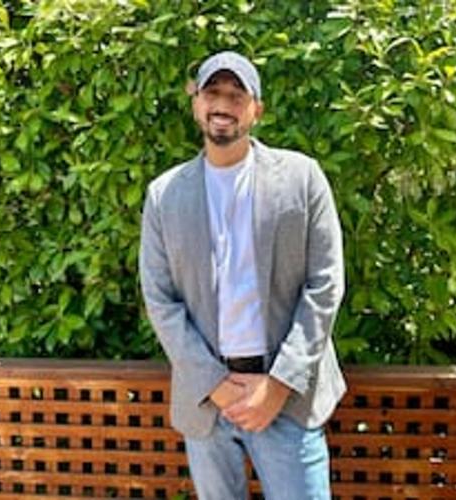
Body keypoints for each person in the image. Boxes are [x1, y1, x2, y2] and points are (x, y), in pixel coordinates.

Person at [139, 51, 346, 500]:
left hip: (288, 399)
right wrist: (213, 383)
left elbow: (325, 285)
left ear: (257, 110)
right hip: (207, 402)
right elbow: (160, 299)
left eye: (237, 95)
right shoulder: (164, 195)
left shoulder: (302, 178)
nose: (223, 104)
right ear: (196, 103)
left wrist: (279, 384)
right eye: (213, 92)